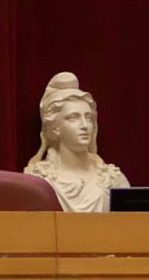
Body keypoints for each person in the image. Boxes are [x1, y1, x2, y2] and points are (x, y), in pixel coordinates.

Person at [23, 71, 130, 213]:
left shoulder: (113, 180)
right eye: (73, 117)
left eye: (89, 117)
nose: (85, 125)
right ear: (55, 128)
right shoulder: (37, 181)